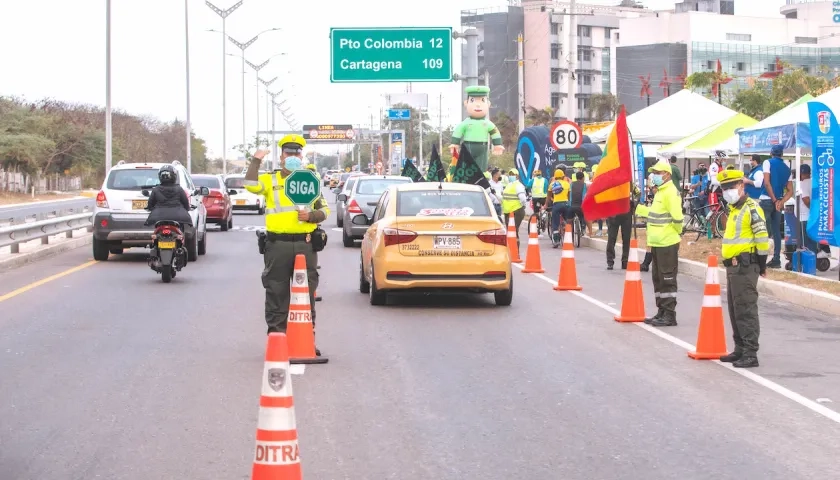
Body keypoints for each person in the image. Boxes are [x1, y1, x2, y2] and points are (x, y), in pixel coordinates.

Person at [244, 134, 330, 348]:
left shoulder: (311, 180)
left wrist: (311, 216)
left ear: (302, 155)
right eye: (288, 152)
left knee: (306, 294)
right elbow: (250, 185)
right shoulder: (270, 179)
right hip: (277, 245)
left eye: (297, 152)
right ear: (281, 156)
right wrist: (256, 160)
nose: (293, 156)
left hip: (305, 243)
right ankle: (277, 340)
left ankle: (306, 340)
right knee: (276, 292)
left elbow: (325, 209)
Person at [717, 169, 770, 368]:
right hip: (733, 267)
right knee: (735, 309)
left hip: (746, 265)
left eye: (731, 187)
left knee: (746, 309)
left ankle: (750, 353)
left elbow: (762, 239)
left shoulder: (751, 208)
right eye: (724, 188)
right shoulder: (734, 209)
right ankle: (739, 348)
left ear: (741, 185)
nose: (727, 191)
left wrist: (762, 265)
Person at [635, 160, 683, 327]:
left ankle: (670, 314)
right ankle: (661, 311)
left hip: (667, 242)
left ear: (667, 174)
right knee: (658, 279)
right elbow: (656, 214)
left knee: (667, 278)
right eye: (653, 172)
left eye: (657, 172)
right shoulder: (660, 192)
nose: (654, 176)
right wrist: (639, 208)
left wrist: (676, 233)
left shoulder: (671, 192)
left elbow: (678, 218)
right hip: (657, 242)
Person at [761, 145, 793, 268]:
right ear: (782, 154)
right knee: (776, 232)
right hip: (778, 203)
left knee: (762, 229)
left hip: (767, 200)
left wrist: (774, 200)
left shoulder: (767, 162)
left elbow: (767, 183)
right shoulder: (787, 168)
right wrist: (780, 201)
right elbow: (790, 191)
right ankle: (776, 260)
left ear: (771, 153)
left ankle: (761, 258)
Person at [144, 165, 193, 230]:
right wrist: (187, 209)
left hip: (158, 216)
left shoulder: (156, 189)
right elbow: (185, 203)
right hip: (178, 216)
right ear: (174, 176)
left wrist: (152, 209)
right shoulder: (179, 189)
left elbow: (150, 204)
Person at [605, 183, 640, 270]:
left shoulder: (630, 184)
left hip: (626, 213)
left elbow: (638, 193)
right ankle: (610, 261)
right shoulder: (611, 185)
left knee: (626, 238)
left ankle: (625, 261)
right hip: (614, 213)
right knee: (611, 238)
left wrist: (634, 203)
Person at [501, 168, 527, 250]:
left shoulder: (518, 185)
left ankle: (515, 251)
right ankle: (511, 250)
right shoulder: (508, 185)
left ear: (517, 176)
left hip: (516, 211)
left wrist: (523, 206)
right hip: (508, 212)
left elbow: (522, 198)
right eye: (510, 174)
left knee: (514, 231)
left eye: (513, 175)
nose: (511, 176)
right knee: (510, 232)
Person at [548, 169, 571, 247]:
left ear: (555, 177)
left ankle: (556, 240)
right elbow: (569, 196)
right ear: (563, 176)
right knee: (568, 220)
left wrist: (546, 205)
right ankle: (566, 230)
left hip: (556, 205)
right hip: (566, 204)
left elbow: (548, 197)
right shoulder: (567, 184)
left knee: (555, 223)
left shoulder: (552, 184)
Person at [566, 171, 590, 237]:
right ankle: (583, 228)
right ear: (583, 178)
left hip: (572, 206)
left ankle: (568, 232)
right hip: (580, 206)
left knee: (569, 219)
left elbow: (570, 195)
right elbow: (584, 196)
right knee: (583, 217)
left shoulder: (571, 184)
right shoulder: (584, 185)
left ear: (576, 178)